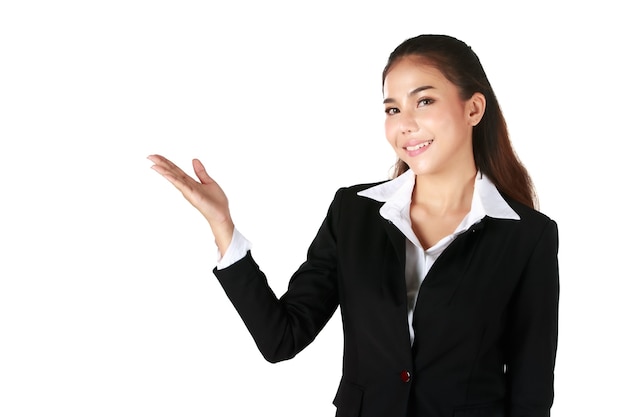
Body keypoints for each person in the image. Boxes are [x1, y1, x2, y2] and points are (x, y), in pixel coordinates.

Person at [147, 34, 559, 417]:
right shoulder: (353, 212)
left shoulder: (528, 236)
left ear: (473, 108)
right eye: (393, 109)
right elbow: (281, 339)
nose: (405, 124)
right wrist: (222, 224)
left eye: (425, 101)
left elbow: (531, 392)